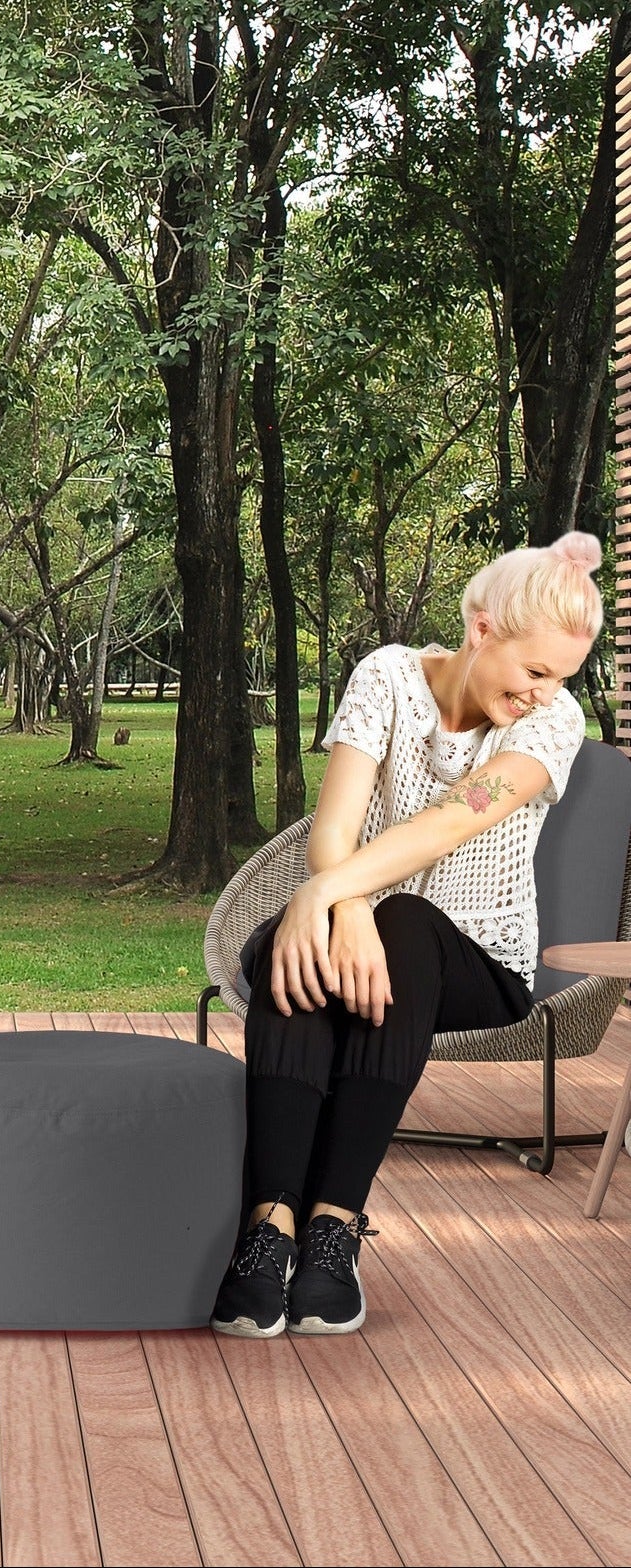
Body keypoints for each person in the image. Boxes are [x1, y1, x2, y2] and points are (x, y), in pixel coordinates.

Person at [210, 531, 604, 1338]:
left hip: (474, 960)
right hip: (354, 926)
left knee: (403, 921)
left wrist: (330, 894)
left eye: (559, 679)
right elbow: (336, 825)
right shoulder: (386, 676)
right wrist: (340, 904)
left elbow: (446, 825)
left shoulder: (551, 725)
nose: (542, 693)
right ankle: (269, 1229)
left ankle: (332, 1229)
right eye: (534, 671)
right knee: (321, 943)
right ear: (481, 628)